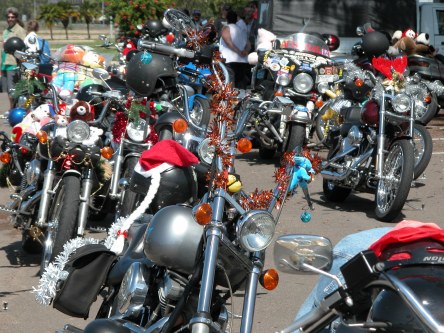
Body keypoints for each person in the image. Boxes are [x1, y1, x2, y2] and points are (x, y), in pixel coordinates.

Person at [1, 7, 26, 108]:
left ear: (16, 18)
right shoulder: (5, 31)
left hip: (13, 63)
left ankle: (13, 110)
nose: (10, 19)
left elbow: (23, 48)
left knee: (13, 89)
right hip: (4, 63)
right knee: (7, 89)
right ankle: (11, 109)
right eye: (8, 17)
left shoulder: (20, 30)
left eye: (12, 17)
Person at [219, 10, 251, 90]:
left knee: (229, 82)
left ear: (227, 19)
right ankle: (240, 100)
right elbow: (249, 44)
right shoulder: (241, 30)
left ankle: (230, 100)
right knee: (240, 84)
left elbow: (228, 42)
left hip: (229, 60)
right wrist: (245, 51)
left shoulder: (226, 28)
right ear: (236, 19)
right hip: (242, 61)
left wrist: (238, 52)